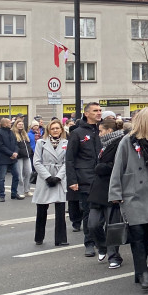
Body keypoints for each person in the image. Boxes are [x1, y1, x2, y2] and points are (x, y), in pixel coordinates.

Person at [107, 108, 148, 291]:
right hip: (132, 194)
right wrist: (115, 193)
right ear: (146, 122)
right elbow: (118, 167)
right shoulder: (127, 141)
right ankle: (143, 271)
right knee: (137, 234)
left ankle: (139, 270)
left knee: (147, 235)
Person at [65, 102, 102, 254]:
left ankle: (102, 241)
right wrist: (72, 180)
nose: (99, 113)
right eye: (95, 110)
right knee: (88, 212)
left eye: (100, 110)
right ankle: (89, 242)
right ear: (87, 113)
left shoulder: (103, 130)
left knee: (103, 213)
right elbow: (70, 158)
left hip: (103, 178)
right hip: (85, 178)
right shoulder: (78, 133)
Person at [89, 116, 125, 268]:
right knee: (93, 224)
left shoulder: (120, 143)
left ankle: (114, 256)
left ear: (109, 131)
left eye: (101, 131)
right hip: (98, 190)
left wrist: (103, 167)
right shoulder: (104, 144)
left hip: (111, 188)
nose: (99, 134)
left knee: (112, 225)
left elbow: (119, 165)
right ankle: (102, 246)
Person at [32, 118, 68, 247]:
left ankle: (61, 239)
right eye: (52, 128)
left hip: (59, 177)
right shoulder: (41, 143)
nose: (55, 130)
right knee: (41, 209)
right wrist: (47, 177)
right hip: (44, 177)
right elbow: (36, 161)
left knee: (60, 211)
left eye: (57, 128)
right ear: (48, 130)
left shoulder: (66, 143)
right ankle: (39, 237)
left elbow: (67, 162)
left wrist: (58, 177)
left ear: (61, 130)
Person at [0, 117, 21, 201]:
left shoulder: (11, 132)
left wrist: (15, 152)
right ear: (5, 124)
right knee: (2, 178)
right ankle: (2, 195)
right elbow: (0, 146)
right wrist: (11, 153)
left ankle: (14, 193)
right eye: (9, 123)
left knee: (16, 175)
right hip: (3, 158)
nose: (11, 124)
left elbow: (16, 143)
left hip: (13, 158)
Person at [13, 118, 33, 197]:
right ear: (16, 125)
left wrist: (30, 151)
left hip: (27, 156)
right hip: (19, 157)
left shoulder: (25, 134)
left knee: (29, 173)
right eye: (19, 124)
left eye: (22, 124)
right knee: (20, 175)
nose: (21, 126)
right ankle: (20, 191)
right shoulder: (13, 134)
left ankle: (27, 190)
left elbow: (28, 145)